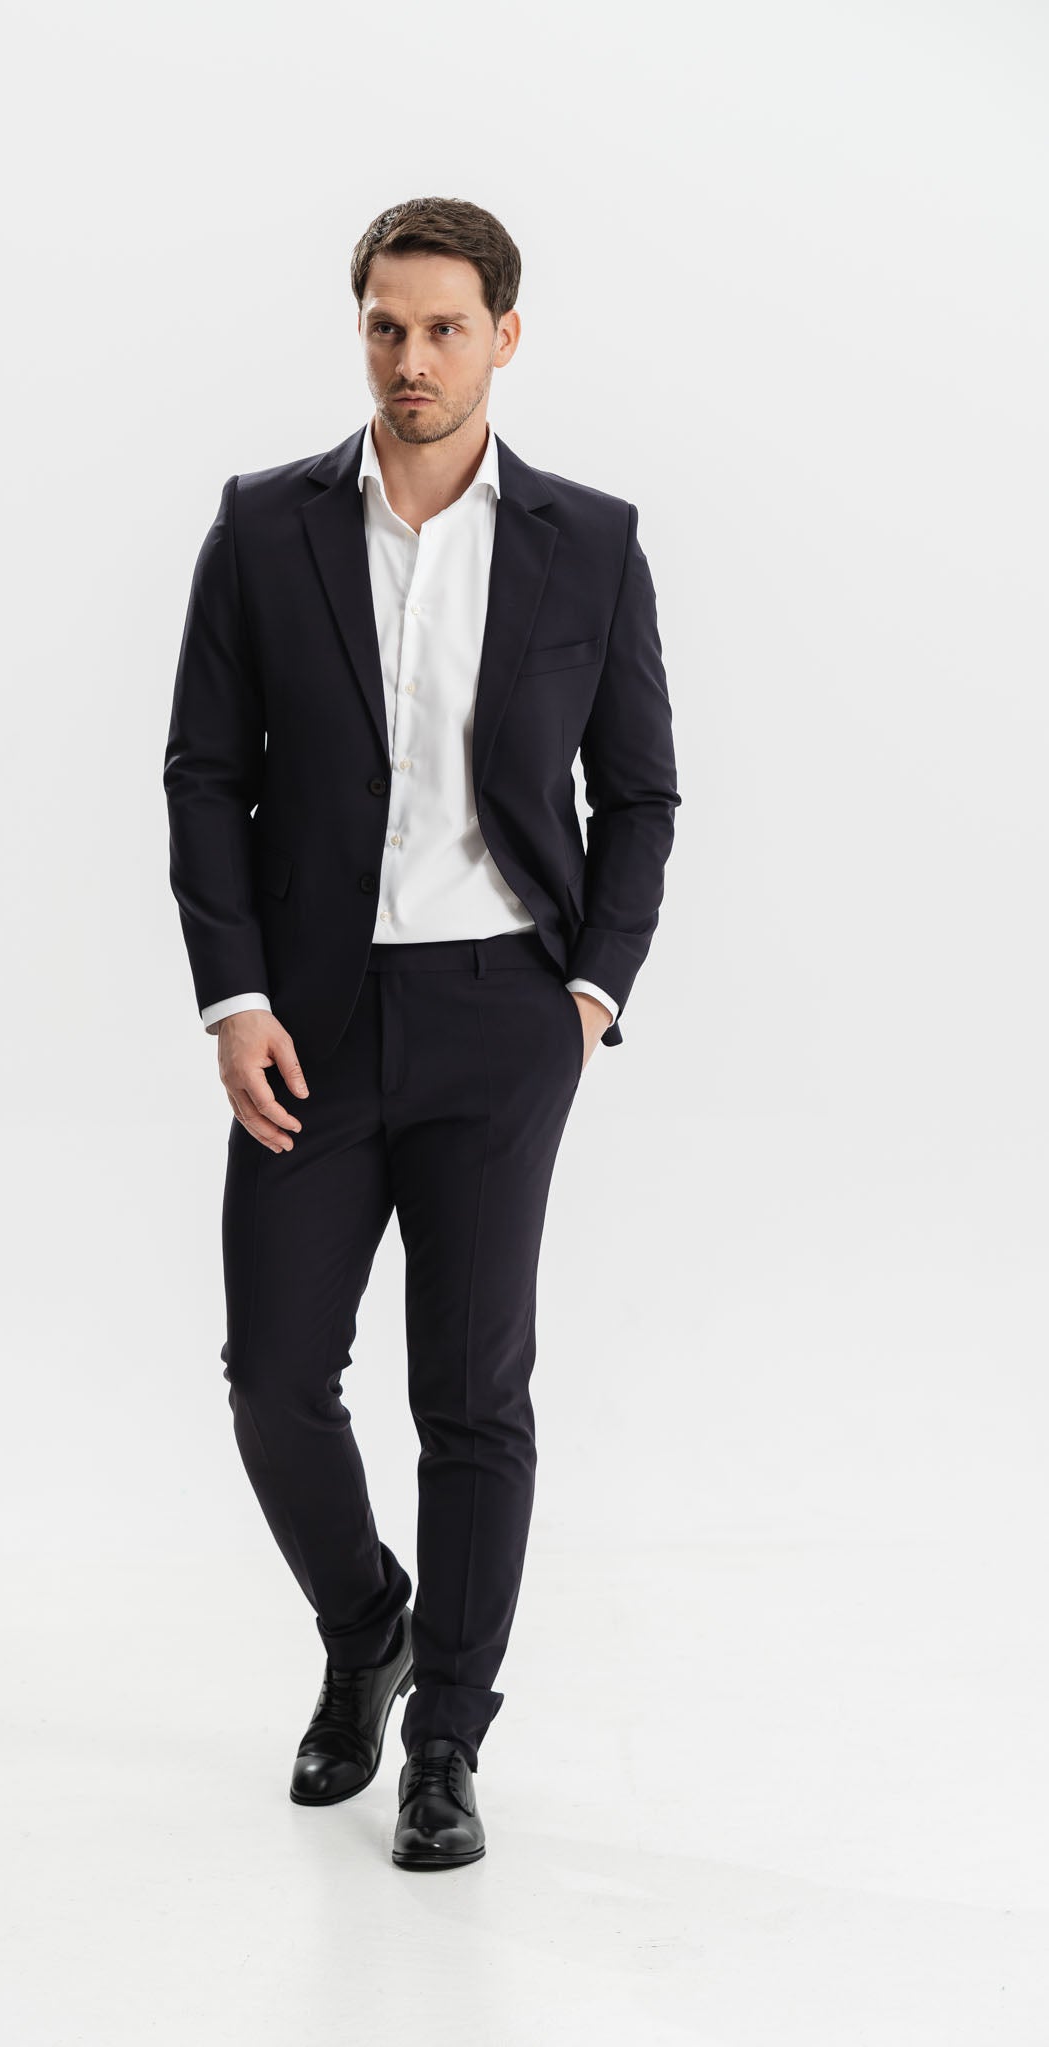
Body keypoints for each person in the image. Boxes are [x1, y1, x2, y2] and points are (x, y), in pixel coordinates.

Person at [163, 195, 680, 1871]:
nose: (411, 357)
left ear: (502, 337)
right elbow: (204, 773)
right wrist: (235, 998)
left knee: (471, 1398)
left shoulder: (586, 540)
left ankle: (445, 1739)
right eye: (386, 325)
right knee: (272, 1378)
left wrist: (589, 990)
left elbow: (639, 792)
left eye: (445, 327)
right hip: (308, 1023)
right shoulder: (264, 525)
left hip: (499, 1016)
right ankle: (365, 1626)